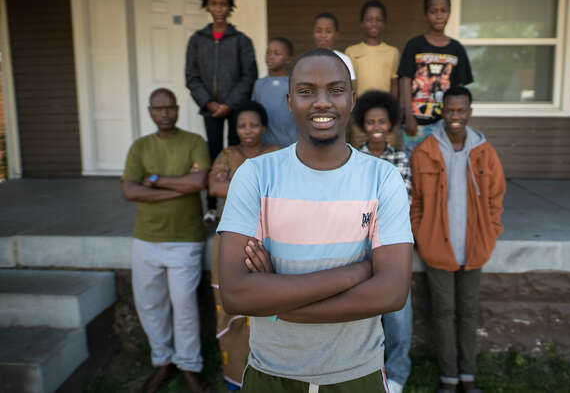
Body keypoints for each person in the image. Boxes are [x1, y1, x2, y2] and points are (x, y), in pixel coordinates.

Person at [216, 48, 413, 392]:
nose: (322, 102)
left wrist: (275, 304)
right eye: (307, 91)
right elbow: (235, 295)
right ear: (290, 102)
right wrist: (356, 272)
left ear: (351, 100)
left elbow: (392, 292)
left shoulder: (384, 179)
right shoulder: (255, 175)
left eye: (335, 90)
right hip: (270, 373)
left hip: (357, 374)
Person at [410, 86, 506, 393]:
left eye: (461, 111)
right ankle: (449, 378)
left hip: (474, 246)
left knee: (468, 312)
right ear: (442, 112)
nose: (455, 117)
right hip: (437, 247)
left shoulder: (484, 152)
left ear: (469, 113)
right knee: (443, 312)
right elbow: (416, 203)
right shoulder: (425, 151)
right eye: (449, 111)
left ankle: (468, 376)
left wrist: (491, 231)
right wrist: (422, 235)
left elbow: (496, 198)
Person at [121, 88, 211, 393]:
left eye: (169, 107)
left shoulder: (194, 142)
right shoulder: (140, 147)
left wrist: (157, 181)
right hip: (146, 239)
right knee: (150, 305)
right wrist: (179, 188)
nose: (164, 113)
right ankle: (163, 361)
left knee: (184, 305)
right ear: (150, 111)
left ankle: (189, 367)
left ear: (176, 109)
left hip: (185, 239)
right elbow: (129, 191)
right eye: (158, 109)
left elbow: (199, 182)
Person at [208, 100, 279, 391]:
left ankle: (270, 375)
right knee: (230, 306)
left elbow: (283, 190)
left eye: (253, 125)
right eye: (242, 126)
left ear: (264, 127)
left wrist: (234, 184)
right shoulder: (227, 154)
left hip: (268, 239)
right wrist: (259, 188)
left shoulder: (277, 154)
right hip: (230, 240)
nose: (247, 131)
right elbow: (214, 187)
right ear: (235, 129)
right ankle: (235, 379)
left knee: (268, 304)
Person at [352, 90, 412, 393]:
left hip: (392, 245)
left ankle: (398, 373)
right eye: (371, 121)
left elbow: (403, 201)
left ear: (391, 125)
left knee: (398, 313)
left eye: (382, 121)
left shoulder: (401, 158)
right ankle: (366, 368)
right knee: (364, 310)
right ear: (363, 124)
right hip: (359, 246)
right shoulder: (353, 159)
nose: (376, 125)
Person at [186, 0, 258, 225]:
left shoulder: (241, 40)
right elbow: (192, 76)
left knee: (237, 153)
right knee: (214, 154)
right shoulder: (197, 40)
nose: (218, 9)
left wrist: (229, 103)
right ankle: (212, 206)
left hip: (235, 109)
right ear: (207, 6)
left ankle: (238, 201)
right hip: (210, 110)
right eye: (214, 4)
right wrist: (209, 103)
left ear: (229, 6)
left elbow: (249, 75)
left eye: (223, 4)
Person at [398, 0, 473, 154]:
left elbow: (460, 89)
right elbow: (405, 80)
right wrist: (408, 116)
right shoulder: (414, 45)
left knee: (440, 165)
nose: (439, 16)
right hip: (416, 122)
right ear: (426, 14)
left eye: (443, 11)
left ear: (449, 12)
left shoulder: (456, 49)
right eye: (433, 11)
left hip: (444, 124)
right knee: (414, 165)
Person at [345, 0, 400, 148]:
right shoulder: (351, 52)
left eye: (378, 20)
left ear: (384, 23)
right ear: (362, 23)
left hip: (385, 116)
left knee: (387, 154)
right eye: (369, 19)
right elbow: (349, 86)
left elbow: (394, 84)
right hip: (360, 115)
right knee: (360, 153)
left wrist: (393, 111)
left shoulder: (392, 52)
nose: (374, 23)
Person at [251, 37, 297, 147]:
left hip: (291, 144)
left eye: (277, 53)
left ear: (288, 59)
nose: (270, 56)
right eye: (268, 53)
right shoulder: (259, 84)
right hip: (265, 146)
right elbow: (254, 114)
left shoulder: (294, 84)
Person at [312, 12, 357, 90]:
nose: (323, 35)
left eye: (328, 31)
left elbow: (352, 88)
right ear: (313, 34)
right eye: (319, 31)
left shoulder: (344, 60)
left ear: (336, 35)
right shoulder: (305, 60)